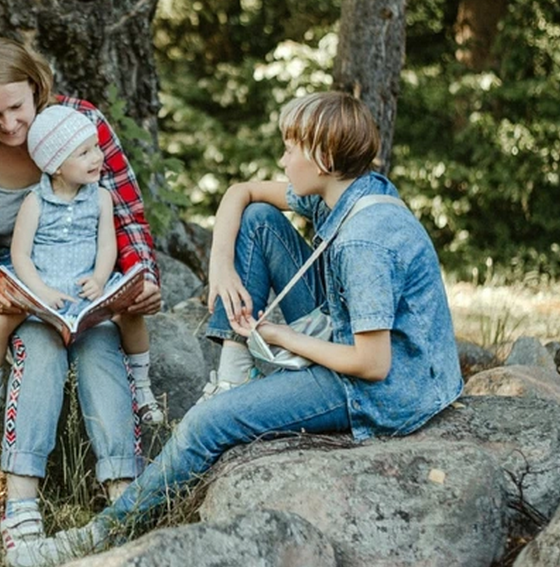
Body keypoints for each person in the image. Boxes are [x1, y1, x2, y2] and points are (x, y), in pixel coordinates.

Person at [42, 90, 464, 562]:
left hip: (386, 390)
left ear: (323, 158)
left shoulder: (364, 244)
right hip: (349, 328)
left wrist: (285, 336)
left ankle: (101, 535)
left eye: (289, 149)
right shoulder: (347, 188)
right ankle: (232, 378)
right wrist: (220, 265)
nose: (282, 160)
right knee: (261, 219)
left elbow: (372, 363)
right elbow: (240, 193)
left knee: (207, 425)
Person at [0, 37, 163, 567]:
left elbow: (127, 215)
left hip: (86, 285)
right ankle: (21, 507)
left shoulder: (80, 124)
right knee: (39, 354)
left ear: (36, 87)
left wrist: (140, 280)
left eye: (16, 107)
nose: (9, 125)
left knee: (101, 353)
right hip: (18, 293)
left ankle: (122, 498)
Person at [0, 105, 164, 435]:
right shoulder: (35, 202)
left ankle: (141, 386)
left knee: (131, 314)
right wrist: (40, 292)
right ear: (55, 166)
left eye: (96, 148)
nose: (97, 157)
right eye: (84, 153)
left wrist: (100, 278)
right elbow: (20, 254)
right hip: (45, 291)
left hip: (88, 291)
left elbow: (106, 246)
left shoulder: (101, 197)